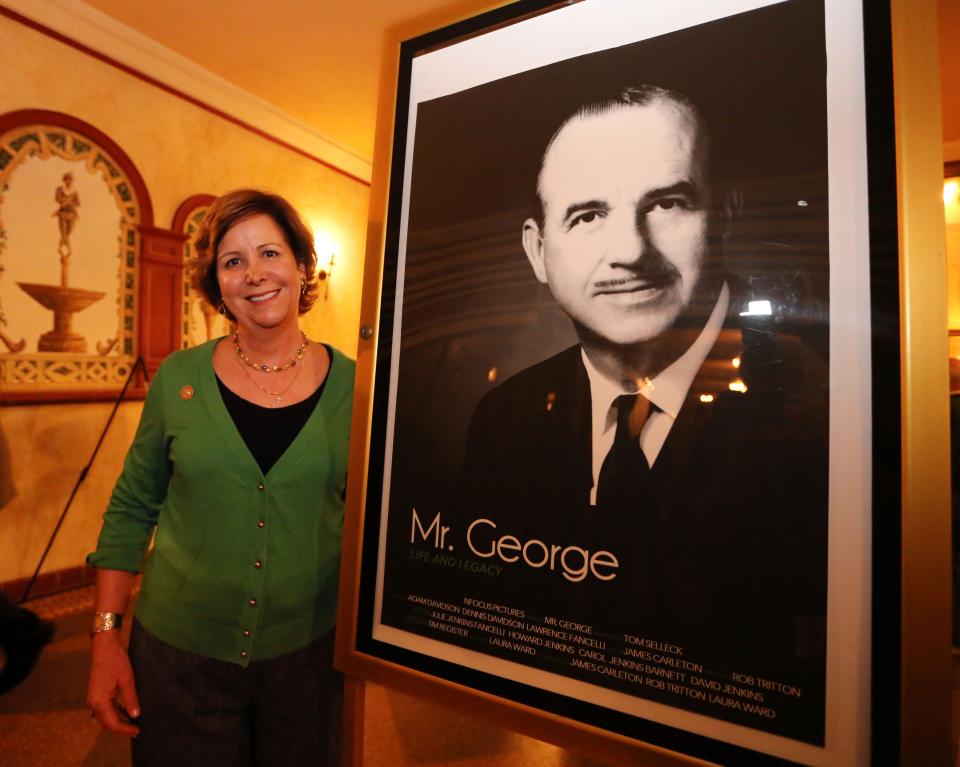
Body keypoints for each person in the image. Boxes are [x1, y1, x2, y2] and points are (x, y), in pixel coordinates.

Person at [456, 86, 828, 719]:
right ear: (538, 250)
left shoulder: (819, 403)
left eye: (668, 202)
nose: (629, 250)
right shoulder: (504, 416)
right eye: (587, 215)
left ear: (727, 215)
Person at [86, 189, 354, 765]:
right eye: (233, 262)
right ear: (218, 284)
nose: (254, 274)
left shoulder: (359, 387)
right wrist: (106, 637)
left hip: (307, 659)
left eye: (270, 254)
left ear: (303, 267)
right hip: (180, 663)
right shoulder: (179, 378)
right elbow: (133, 507)